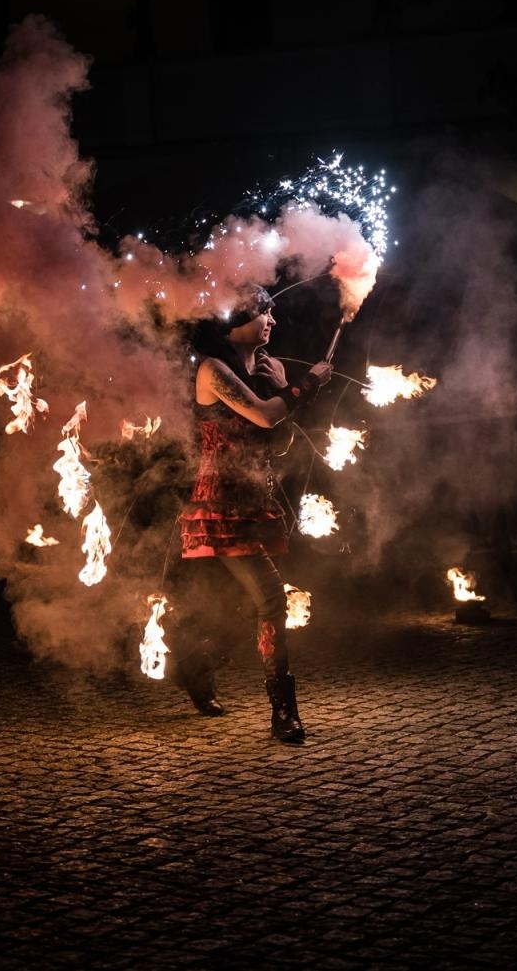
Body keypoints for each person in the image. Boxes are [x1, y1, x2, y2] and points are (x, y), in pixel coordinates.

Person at [169, 287, 331, 743]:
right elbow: (263, 417)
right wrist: (306, 385)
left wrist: (282, 386)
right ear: (239, 319)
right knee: (272, 599)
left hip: (256, 501)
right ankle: (283, 710)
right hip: (220, 504)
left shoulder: (265, 368)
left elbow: (279, 441)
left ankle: (195, 667)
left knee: (243, 607)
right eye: (265, 312)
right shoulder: (212, 369)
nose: (272, 322)